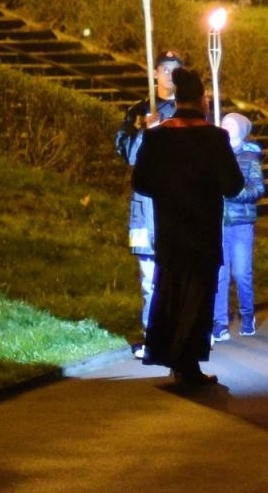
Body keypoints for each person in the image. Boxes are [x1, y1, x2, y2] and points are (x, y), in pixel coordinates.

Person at [132, 68, 244, 387]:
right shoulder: (214, 137)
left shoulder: (157, 136)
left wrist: (169, 192)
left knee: (170, 295)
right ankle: (188, 363)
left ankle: (169, 356)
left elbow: (140, 182)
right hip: (203, 232)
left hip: (170, 231)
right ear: (203, 101)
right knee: (197, 300)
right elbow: (233, 185)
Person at [114, 49, 184, 358]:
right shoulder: (139, 111)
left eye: (175, 69)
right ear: (155, 73)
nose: (169, 74)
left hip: (178, 204)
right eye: (164, 68)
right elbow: (129, 156)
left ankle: (181, 336)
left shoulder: (188, 110)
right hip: (146, 207)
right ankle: (152, 336)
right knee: (149, 277)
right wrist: (146, 130)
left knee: (178, 273)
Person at [213, 112, 264, 341]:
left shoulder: (250, 157)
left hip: (241, 224)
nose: (226, 126)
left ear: (242, 130)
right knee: (220, 274)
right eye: (224, 123)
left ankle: (247, 315)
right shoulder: (215, 153)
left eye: (231, 124)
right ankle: (220, 323)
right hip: (218, 224)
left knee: (241, 273)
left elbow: (258, 189)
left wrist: (234, 193)